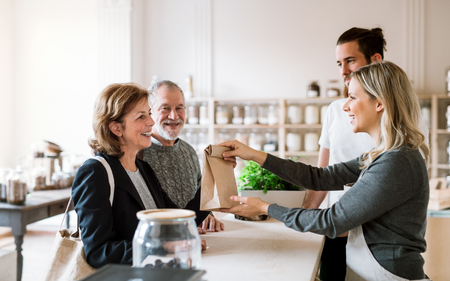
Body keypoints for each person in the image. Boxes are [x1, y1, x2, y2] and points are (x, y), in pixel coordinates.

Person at [220, 61, 430, 281]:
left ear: (379, 103)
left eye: (353, 97)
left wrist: (264, 207)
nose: (345, 106)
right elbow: (320, 177)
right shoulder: (382, 155)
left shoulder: (396, 162)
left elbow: (332, 221)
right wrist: (254, 155)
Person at [302, 27, 429, 281]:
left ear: (375, 61)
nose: (343, 70)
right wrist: (305, 221)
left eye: (350, 60)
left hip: (372, 241)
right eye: (339, 62)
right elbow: (323, 175)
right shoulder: (336, 110)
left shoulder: (406, 122)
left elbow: (402, 186)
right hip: (332, 232)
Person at [72, 83, 209, 268]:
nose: (151, 122)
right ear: (116, 128)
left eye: (149, 114)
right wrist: (162, 247)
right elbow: (98, 252)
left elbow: (175, 218)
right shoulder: (94, 173)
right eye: (141, 116)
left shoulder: (143, 168)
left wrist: (214, 181)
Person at [139, 80, 224, 232]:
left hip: (196, 239)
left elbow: (200, 194)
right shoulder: (138, 154)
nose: (174, 116)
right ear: (150, 112)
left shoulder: (190, 151)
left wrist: (207, 215)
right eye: (165, 108)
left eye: (180, 108)